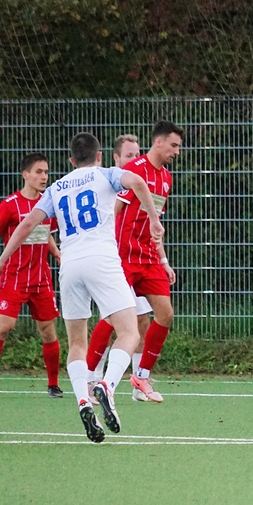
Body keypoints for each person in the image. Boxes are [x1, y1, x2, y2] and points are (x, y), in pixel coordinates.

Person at [0, 132, 164, 442]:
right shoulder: (106, 174)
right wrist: (153, 218)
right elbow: (137, 182)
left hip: (69, 266)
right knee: (129, 332)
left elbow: (27, 224)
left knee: (77, 344)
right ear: (99, 156)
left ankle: (83, 400)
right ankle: (107, 385)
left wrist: (0, 262)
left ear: (71, 160)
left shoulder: (56, 187)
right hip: (102, 260)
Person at [84, 122, 182, 403]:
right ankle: (89, 379)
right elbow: (113, 209)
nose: (177, 151)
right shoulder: (134, 170)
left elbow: (155, 223)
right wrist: (102, 247)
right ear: (159, 142)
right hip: (123, 256)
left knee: (165, 314)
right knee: (112, 318)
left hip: (148, 257)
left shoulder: (166, 178)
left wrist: (163, 259)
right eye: (173, 145)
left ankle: (141, 377)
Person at [0, 152, 63, 399]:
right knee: (4, 326)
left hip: (41, 279)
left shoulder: (48, 204)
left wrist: (57, 254)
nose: (44, 177)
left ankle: (53, 385)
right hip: (14, 278)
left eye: (46, 172)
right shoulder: (10, 205)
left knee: (48, 331)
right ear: (25, 174)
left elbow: (46, 234)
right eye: (39, 172)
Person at [86, 134, 155, 403]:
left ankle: (138, 382)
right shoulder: (112, 184)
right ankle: (93, 378)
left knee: (142, 319)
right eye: (129, 155)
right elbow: (107, 218)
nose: (135, 159)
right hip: (114, 260)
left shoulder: (140, 182)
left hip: (138, 259)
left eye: (137, 154)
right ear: (115, 158)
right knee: (111, 320)